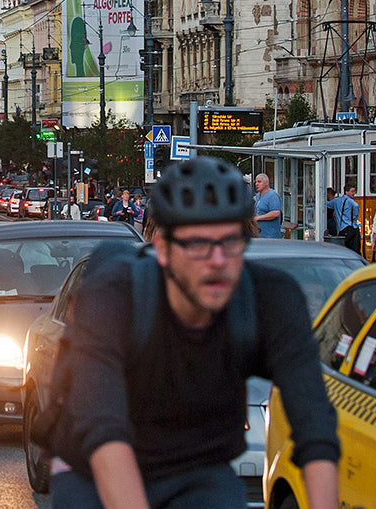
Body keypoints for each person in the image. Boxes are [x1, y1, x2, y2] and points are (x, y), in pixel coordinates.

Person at [45, 157, 340, 508]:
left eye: (230, 242)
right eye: (198, 243)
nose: (217, 261)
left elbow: (313, 423)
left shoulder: (271, 299)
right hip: (93, 466)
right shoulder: (115, 298)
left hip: (197, 469)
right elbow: (102, 427)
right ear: (163, 250)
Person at [326, 185, 362, 254]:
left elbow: (328, 204)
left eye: (354, 191)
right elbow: (356, 206)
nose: (354, 193)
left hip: (342, 228)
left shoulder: (337, 200)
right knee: (355, 250)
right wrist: (355, 218)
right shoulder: (350, 200)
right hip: (351, 227)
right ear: (346, 192)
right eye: (352, 191)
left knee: (344, 249)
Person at [252, 173, 283, 239]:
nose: (256, 184)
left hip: (270, 237)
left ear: (266, 183)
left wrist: (258, 218)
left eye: (259, 182)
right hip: (259, 235)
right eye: (256, 182)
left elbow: (276, 213)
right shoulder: (258, 196)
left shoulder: (272, 195)